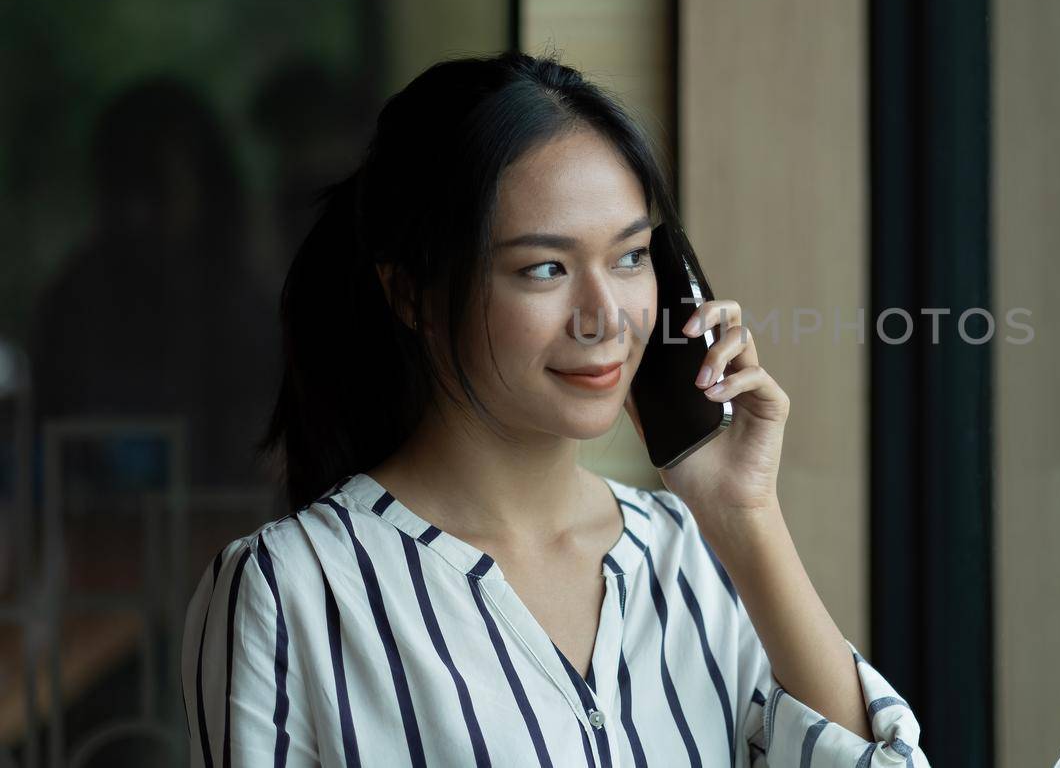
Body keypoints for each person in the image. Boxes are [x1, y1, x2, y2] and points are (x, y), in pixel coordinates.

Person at [179, 52, 928, 767]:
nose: (606, 317)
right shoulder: (290, 591)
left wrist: (745, 516)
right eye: (544, 268)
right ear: (411, 294)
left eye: (631, 256)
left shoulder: (700, 557)